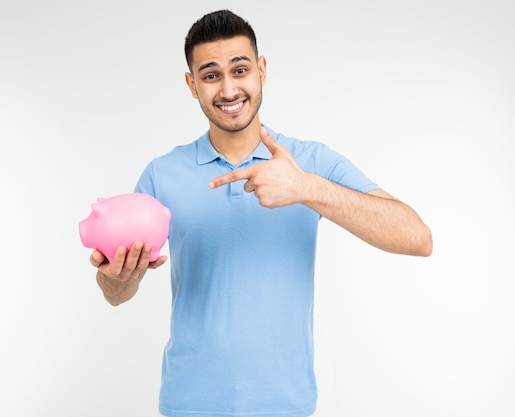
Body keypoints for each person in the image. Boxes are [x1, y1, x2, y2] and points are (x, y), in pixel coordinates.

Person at [89, 9, 432, 417]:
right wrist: (117, 278)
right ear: (192, 85)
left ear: (262, 70)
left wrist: (306, 187)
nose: (229, 89)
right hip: (188, 404)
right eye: (211, 75)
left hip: (286, 405)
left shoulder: (310, 160)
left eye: (240, 69)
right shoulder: (162, 174)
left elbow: (418, 238)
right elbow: (117, 293)